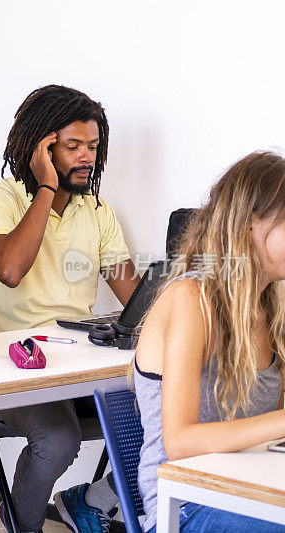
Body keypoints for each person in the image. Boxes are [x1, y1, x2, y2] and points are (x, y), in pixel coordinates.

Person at [0, 85, 139, 532]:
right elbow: (10, 269)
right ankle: (23, 522)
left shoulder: (98, 212)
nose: (86, 157)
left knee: (166, 409)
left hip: (78, 365)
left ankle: (90, 499)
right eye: (72, 147)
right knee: (59, 439)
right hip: (11, 368)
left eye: (94, 146)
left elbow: (135, 299)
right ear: (41, 148)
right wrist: (46, 186)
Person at [133, 151, 285, 532]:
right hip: (185, 509)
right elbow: (180, 441)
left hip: (251, 491)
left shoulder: (274, 310)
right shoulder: (189, 299)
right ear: (251, 224)